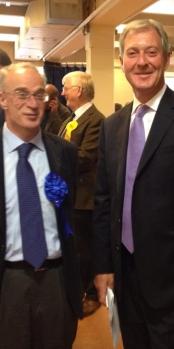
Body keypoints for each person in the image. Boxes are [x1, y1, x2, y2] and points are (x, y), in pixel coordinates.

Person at [93, 19, 174, 349]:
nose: (142, 61)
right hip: (124, 276)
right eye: (132, 53)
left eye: (151, 52)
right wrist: (104, 267)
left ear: (166, 57)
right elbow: (104, 202)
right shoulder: (112, 125)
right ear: (121, 61)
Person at [0, 62, 83, 348]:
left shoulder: (66, 154)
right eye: (21, 94)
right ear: (2, 100)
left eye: (39, 95)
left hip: (56, 283)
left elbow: (69, 215)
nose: (32, 104)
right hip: (3, 283)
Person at [59, 71, 105, 317]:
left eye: (66, 87)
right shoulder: (71, 119)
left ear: (78, 90)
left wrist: (52, 153)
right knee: (73, 248)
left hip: (84, 198)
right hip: (68, 194)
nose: (62, 92)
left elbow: (85, 158)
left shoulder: (97, 120)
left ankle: (90, 294)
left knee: (84, 250)